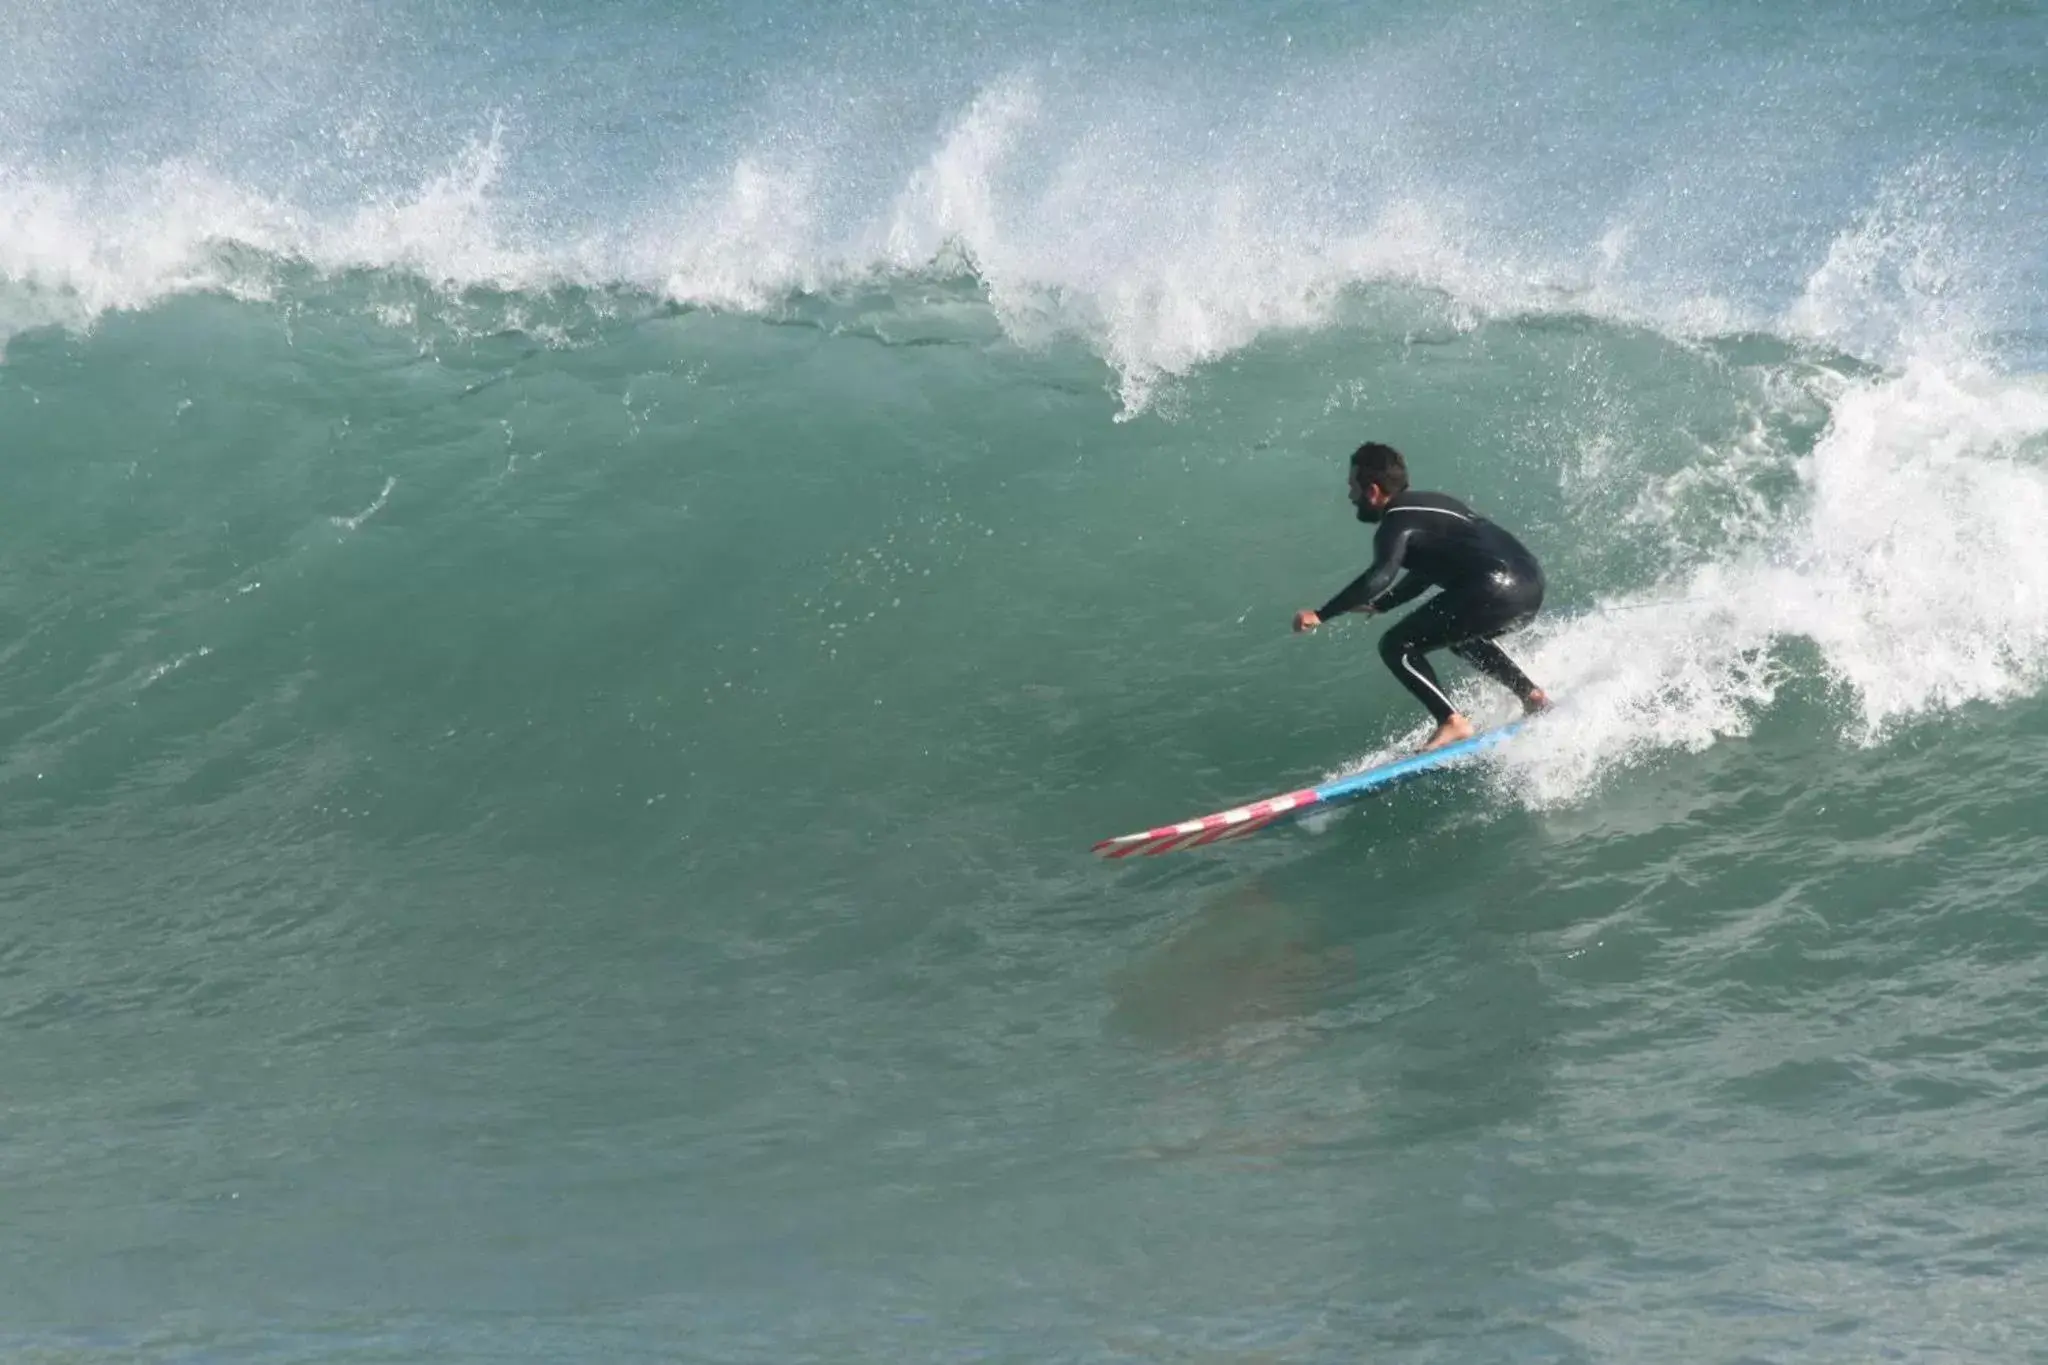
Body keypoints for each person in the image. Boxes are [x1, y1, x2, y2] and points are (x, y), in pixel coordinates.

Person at [1293, 442, 1550, 751]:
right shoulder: (1431, 505)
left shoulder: (1395, 522)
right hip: (1528, 586)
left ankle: (1451, 721)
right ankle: (1531, 695)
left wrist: (1321, 614)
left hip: (1493, 588)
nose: (1351, 497)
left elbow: (1381, 575)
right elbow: (1426, 572)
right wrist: (1382, 604)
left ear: (1372, 491)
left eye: (1353, 488)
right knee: (1461, 634)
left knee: (1396, 645)